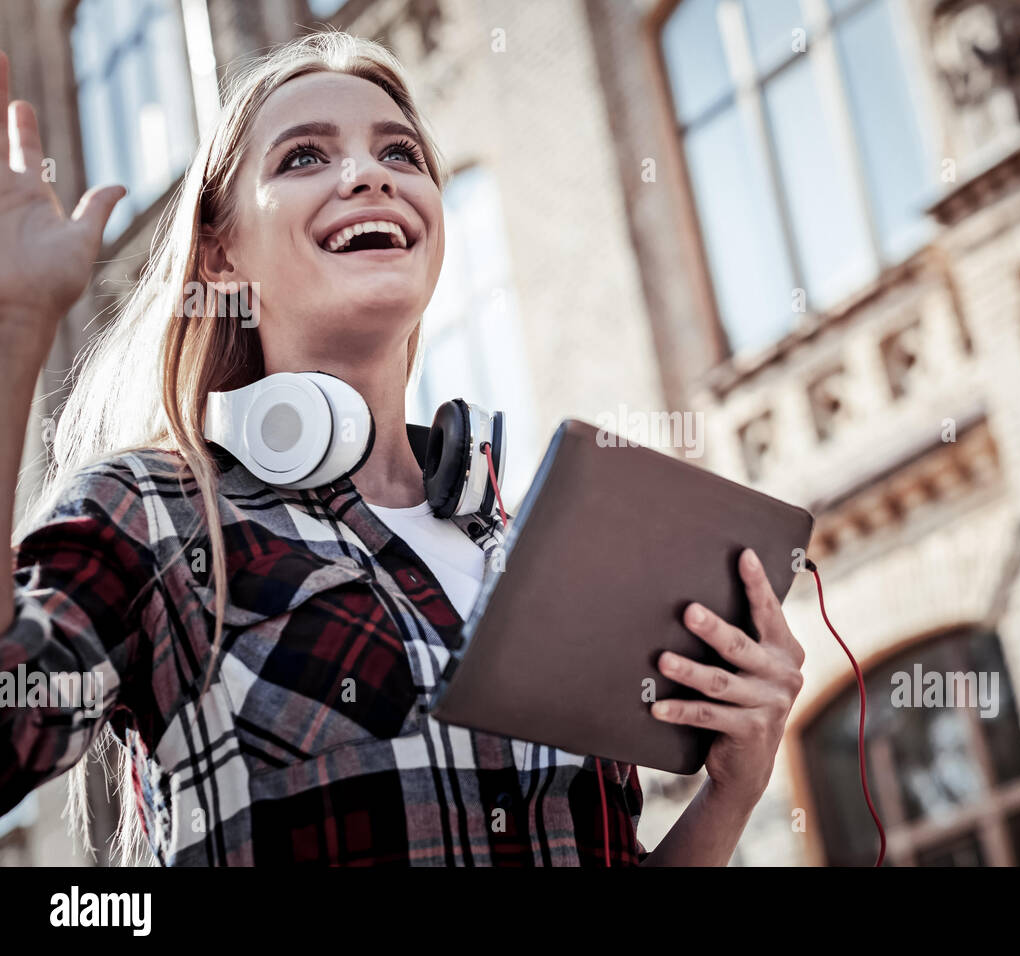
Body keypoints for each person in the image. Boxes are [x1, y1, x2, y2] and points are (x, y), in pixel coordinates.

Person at [0, 31, 806, 866]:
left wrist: (732, 789)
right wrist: (13, 332)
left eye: (401, 153)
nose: (369, 174)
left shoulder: (522, 552)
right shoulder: (154, 516)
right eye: (304, 157)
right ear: (221, 251)